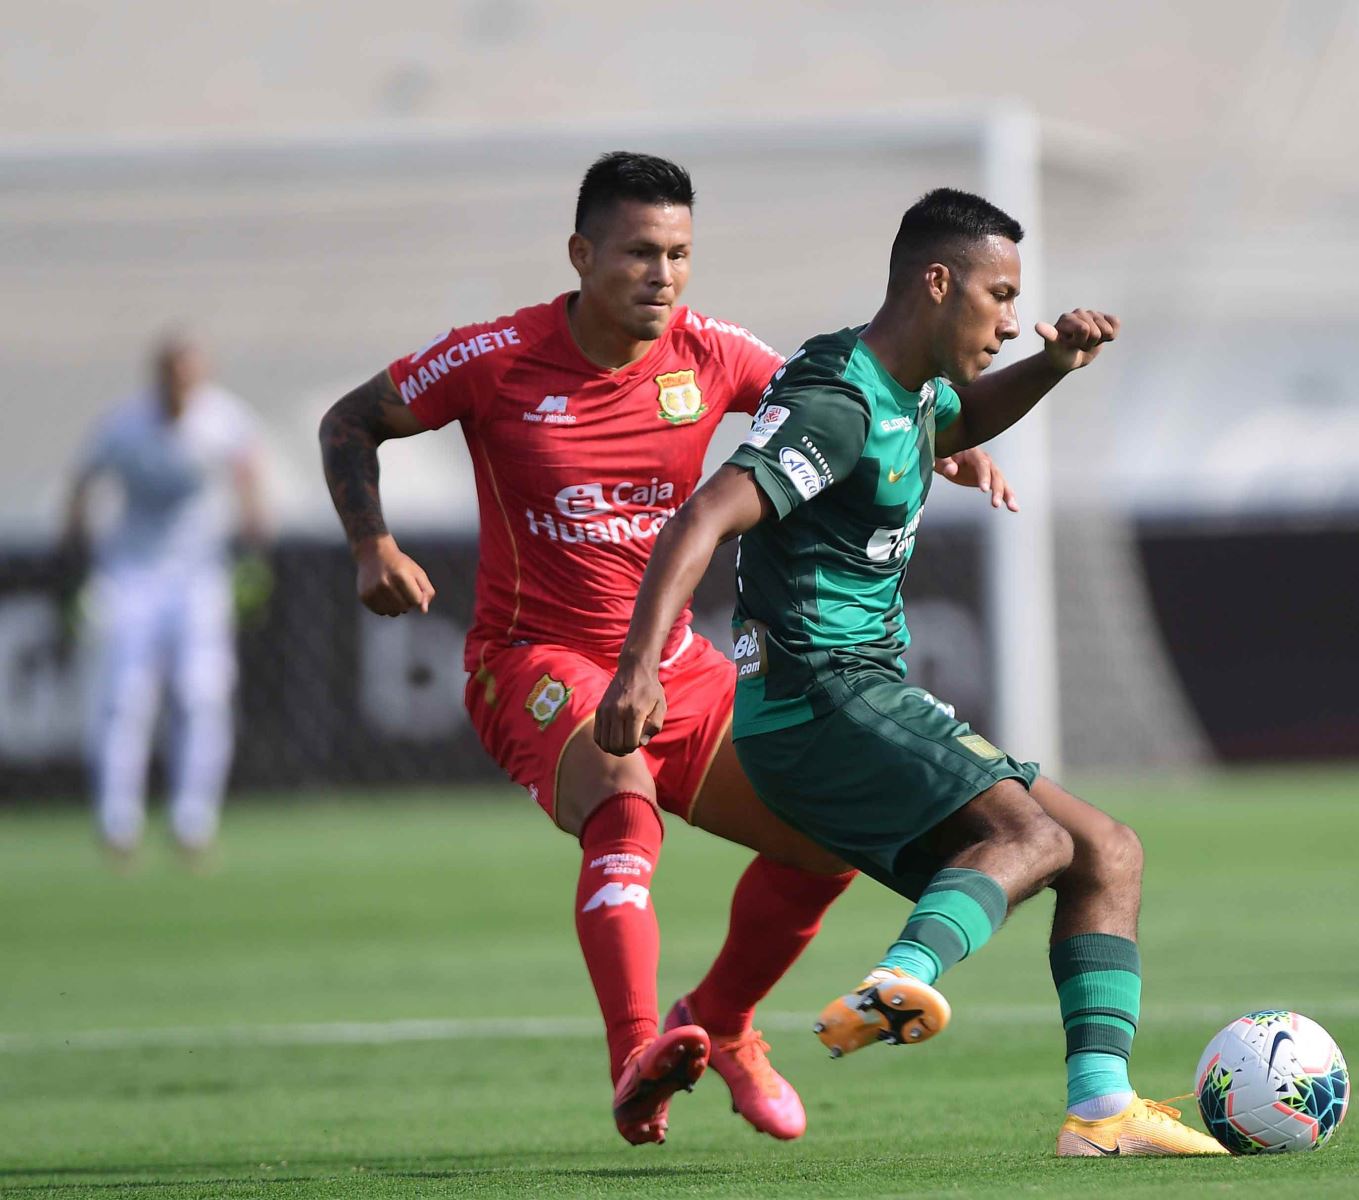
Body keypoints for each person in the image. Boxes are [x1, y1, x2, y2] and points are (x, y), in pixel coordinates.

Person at [317, 153, 1013, 1147]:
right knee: (623, 800)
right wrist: (371, 545)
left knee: (829, 832)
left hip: (675, 663)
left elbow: (849, 395)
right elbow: (349, 420)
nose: (664, 275)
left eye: (680, 254)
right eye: (641, 252)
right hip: (532, 658)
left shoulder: (710, 352)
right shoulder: (495, 358)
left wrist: (941, 436)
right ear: (580, 254)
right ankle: (636, 1057)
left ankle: (720, 1024)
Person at [595, 188, 1227, 1157]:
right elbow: (704, 516)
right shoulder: (838, 404)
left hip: (845, 701)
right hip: (820, 697)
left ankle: (1101, 1110)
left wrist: (1052, 364)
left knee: (1107, 850)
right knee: (1030, 836)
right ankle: (900, 980)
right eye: (999, 296)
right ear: (937, 282)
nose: (1011, 320)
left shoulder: (912, 388)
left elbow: (954, 421)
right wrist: (638, 669)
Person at [63, 334, 269, 867]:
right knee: (123, 698)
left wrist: (253, 552)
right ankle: (118, 824)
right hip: (131, 574)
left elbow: (249, 475)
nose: (182, 388)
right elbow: (83, 481)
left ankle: (193, 823)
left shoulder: (222, 419)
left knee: (203, 695)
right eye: (174, 376)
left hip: (199, 575)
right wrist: (73, 565)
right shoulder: (124, 424)